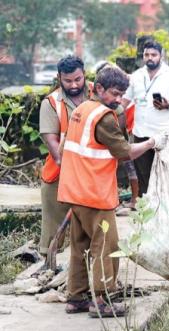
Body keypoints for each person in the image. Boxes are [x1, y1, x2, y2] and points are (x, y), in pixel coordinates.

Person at [57, 66, 168, 317]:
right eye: (115, 94)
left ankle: (76, 298)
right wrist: (151, 143)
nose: (119, 100)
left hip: (75, 191)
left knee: (80, 245)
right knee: (107, 245)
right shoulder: (104, 117)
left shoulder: (81, 110)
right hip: (94, 194)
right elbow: (125, 152)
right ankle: (103, 300)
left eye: (121, 95)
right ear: (99, 89)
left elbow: (65, 148)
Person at [38, 55, 93, 257]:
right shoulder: (51, 103)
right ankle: (49, 261)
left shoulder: (98, 92)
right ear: (59, 77)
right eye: (68, 81)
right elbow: (53, 145)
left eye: (78, 79)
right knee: (54, 226)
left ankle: (87, 264)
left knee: (92, 225)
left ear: (84, 74)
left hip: (93, 171)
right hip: (60, 171)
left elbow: (118, 116)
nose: (74, 85)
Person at [120, 41, 169, 196]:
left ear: (161, 56)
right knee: (143, 176)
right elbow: (124, 101)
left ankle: (168, 213)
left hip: (165, 135)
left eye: (153, 55)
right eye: (146, 55)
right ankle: (148, 213)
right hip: (140, 134)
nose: (150, 58)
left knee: (167, 176)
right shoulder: (137, 76)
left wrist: (168, 105)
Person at [95, 61, 139, 213]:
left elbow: (120, 132)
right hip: (100, 149)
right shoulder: (93, 102)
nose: (119, 97)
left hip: (119, 142)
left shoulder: (118, 107)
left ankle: (134, 200)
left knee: (129, 167)